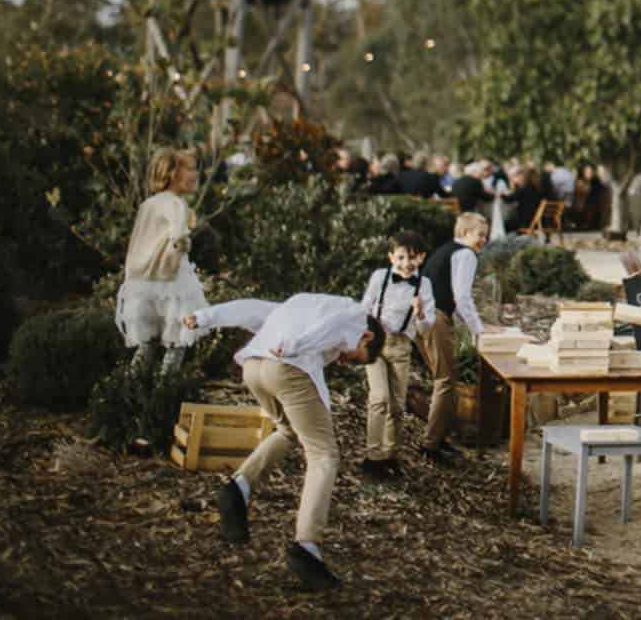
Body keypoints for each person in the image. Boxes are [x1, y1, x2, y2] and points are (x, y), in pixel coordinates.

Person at [181, 294, 384, 591]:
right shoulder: (354, 315)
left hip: (253, 367)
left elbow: (252, 310)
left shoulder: (302, 305)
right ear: (366, 337)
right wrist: (294, 346)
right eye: (354, 358)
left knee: (288, 430)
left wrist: (205, 318)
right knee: (323, 456)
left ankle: (237, 489)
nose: (342, 360)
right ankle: (307, 548)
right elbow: (335, 324)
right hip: (286, 364)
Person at [115, 148, 208, 375]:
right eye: (191, 169)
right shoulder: (176, 204)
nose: (196, 175)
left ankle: (130, 390)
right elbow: (179, 236)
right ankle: (166, 390)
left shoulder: (148, 205)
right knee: (176, 342)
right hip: (172, 280)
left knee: (146, 345)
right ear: (174, 174)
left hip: (143, 283)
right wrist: (183, 241)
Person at [360, 229, 435, 479]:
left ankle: (390, 456)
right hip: (376, 344)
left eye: (412, 258)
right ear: (391, 257)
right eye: (401, 257)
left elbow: (427, 327)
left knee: (396, 405)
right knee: (379, 398)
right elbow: (364, 308)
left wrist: (420, 313)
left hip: (402, 347)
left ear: (421, 258)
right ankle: (373, 456)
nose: (407, 263)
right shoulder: (380, 277)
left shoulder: (424, 285)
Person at [418, 213, 489, 463]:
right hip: (435, 317)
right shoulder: (465, 254)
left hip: (422, 318)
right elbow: (462, 297)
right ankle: (431, 445)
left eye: (485, 234)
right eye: (479, 234)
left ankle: (439, 437)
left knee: (442, 378)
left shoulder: (445, 250)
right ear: (465, 232)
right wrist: (479, 330)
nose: (484, 239)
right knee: (445, 380)